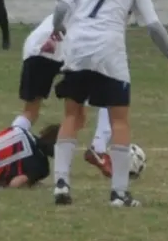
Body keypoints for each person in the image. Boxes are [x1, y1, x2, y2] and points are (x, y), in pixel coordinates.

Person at [50, 0, 168, 207]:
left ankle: (61, 183)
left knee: (72, 115)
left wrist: (58, 27)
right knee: (119, 119)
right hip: (110, 51)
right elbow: (153, 26)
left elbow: (61, 6)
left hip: (79, 48)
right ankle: (119, 193)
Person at [18, 12, 115, 177]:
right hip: (64, 50)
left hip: (36, 45)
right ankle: (98, 148)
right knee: (109, 93)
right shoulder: (101, 14)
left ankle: (12, 147)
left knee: (30, 112)